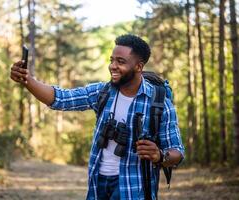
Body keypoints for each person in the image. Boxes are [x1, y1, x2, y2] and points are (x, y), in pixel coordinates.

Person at [10, 34, 184, 200]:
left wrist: (160, 156)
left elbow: (177, 152)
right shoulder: (103, 92)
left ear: (139, 67)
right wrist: (27, 80)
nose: (112, 66)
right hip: (98, 185)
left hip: (133, 189)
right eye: (112, 60)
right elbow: (61, 98)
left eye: (120, 61)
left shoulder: (159, 103)